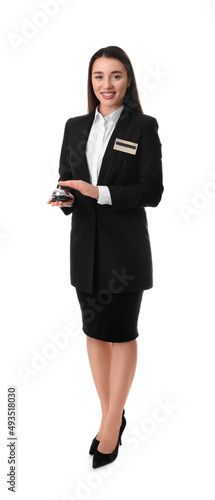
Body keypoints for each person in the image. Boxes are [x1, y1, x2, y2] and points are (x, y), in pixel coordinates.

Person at [47, 45, 164, 469]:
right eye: (99, 76)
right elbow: (68, 179)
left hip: (126, 251)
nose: (107, 84)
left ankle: (111, 424)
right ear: (91, 81)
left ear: (128, 80)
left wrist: (102, 193)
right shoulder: (75, 126)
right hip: (84, 248)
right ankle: (110, 415)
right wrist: (63, 197)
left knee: (122, 333)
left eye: (115, 76)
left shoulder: (143, 126)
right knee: (95, 332)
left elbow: (152, 192)